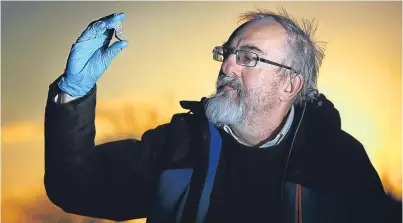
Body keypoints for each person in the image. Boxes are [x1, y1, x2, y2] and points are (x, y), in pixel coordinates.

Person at [44, 10, 388, 223]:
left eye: (249, 57)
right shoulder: (179, 145)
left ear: (290, 84)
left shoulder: (340, 161)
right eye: (227, 53)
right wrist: (73, 92)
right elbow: (74, 188)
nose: (227, 66)